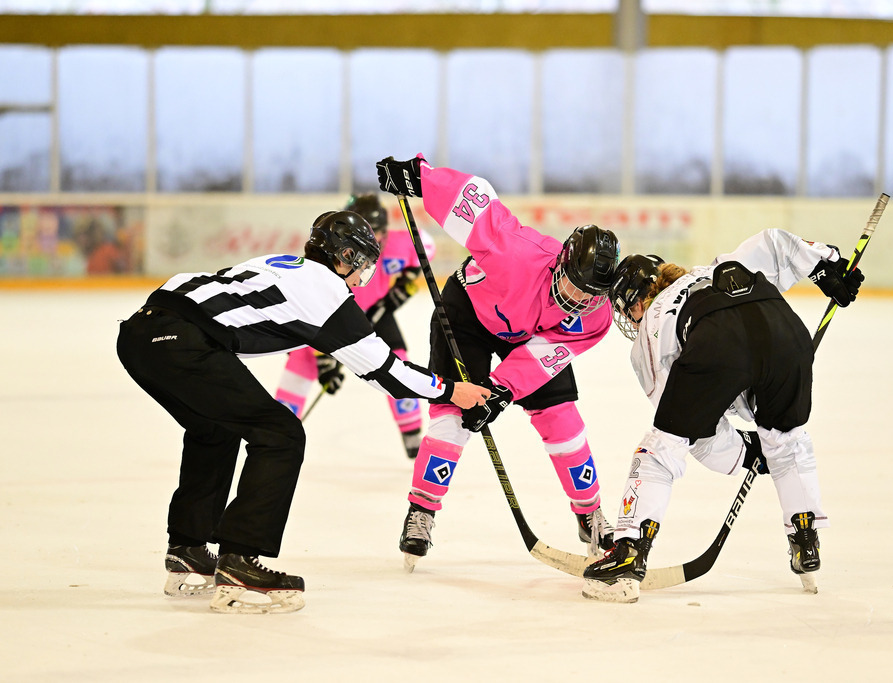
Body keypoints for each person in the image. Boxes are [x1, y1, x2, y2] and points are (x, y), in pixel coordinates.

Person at [116, 210, 490, 614]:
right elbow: (388, 373)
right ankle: (239, 561)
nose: (361, 278)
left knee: (214, 429)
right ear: (345, 255)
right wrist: (452, 388)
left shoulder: (278, 263)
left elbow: (252, 311)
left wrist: (327, 355)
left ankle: (188, 548)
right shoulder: (329, 289)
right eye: (362, 265)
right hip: (183, 342)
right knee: (281, 433)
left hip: (140, 334)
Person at [581, 229, 865, 603]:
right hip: (785, 333)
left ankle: (628, 554)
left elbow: (694, 432)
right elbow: (774, 243)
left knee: (660, 450)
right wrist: (827, 266)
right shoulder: (711, 268)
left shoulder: (650, 328)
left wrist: (745, 454)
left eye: (626, 308)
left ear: (636, 300)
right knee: (787, 440)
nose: (629, 318)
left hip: (716, 341)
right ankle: (806, 543)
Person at [376, 154, 621, 571]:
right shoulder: (516, 254)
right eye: (576, 289)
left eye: (591, 296)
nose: (580, 303)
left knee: (559, 414)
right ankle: (422, 511)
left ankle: (589, 515)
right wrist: (418, 176)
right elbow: (473, 201)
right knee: (454, 410)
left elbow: (543, 357)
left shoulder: (595, 314)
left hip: (529, 336)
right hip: (468, 313)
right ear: (559, 265)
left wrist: (502, 391)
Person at [274, 193, 437, 459]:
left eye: (381, 233)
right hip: (332, 313)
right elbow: (314, 313)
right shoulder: (326, 264)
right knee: (301, 360)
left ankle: (411, 432)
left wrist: (399, 292)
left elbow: (422, 253)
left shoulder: (399, 244)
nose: (377, 242)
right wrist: (324, 358)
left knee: (398, 363)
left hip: (374, 313)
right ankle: (277, 430)